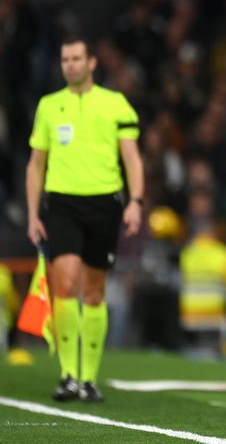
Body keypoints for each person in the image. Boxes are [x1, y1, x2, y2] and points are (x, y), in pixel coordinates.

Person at [26, 36, 144, 402]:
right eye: (65, 59)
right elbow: (36, 165)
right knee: (65, 282)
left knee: (93, 291)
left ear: (92, 62)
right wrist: (32, 214)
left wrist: (135, 201)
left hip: (104, 204)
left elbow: (132, 159)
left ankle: (89, 378)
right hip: (61, 204)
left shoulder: (115, 104)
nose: (71, 65)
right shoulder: (49, 106)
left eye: (77, 58)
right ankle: (68, 375)